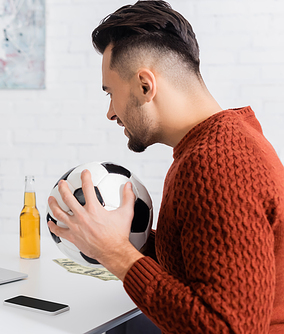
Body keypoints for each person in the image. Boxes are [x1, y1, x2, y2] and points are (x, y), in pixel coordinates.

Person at [47, 1, 284, 333]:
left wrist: (115, 253)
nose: (111, 113)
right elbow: (204, 261)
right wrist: (130, 240)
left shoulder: (217, 165)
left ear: (145, 86)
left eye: (110, 93)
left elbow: (229, 328)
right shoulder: (216, 144)